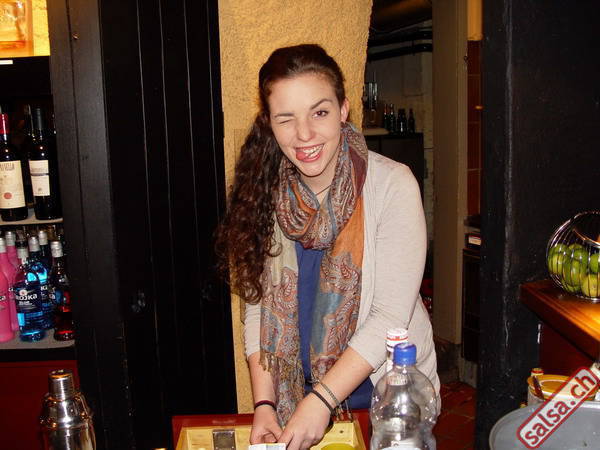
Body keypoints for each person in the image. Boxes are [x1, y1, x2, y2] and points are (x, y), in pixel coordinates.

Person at [216, 44, 439, 450]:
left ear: (343, 110)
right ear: (269, 123)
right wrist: (265, 403)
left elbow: (390, 316)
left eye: (319, 113)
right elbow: (258, 310)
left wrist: (321, 400)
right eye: (286, 118)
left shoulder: (392, 185)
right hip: (296, 401)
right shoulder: (262, 192)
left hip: (383, 401)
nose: (304, 135)